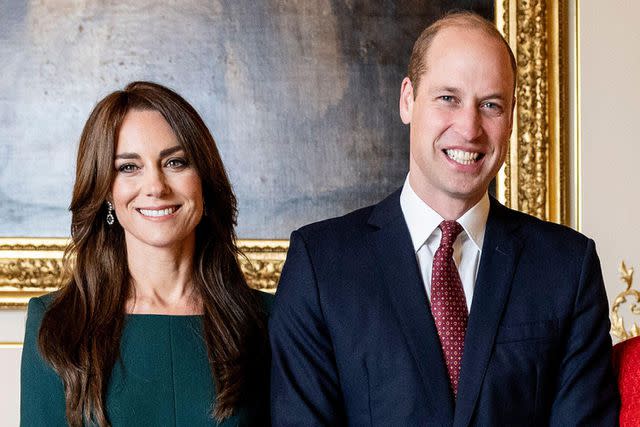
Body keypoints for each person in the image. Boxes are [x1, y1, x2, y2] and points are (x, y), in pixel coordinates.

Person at [270, 11, 619, 425]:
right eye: (448, 98)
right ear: (407, 100)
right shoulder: (320, 263)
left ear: (510, 119)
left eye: (491, 105)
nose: (469, 128)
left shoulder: (567, 266)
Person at [21, 81, 272, 426]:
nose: (156, 186)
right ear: (105, 190)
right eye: (128, 167)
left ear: (204, 179)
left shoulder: (269, 320)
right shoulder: (56, 324)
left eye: (176, 162)